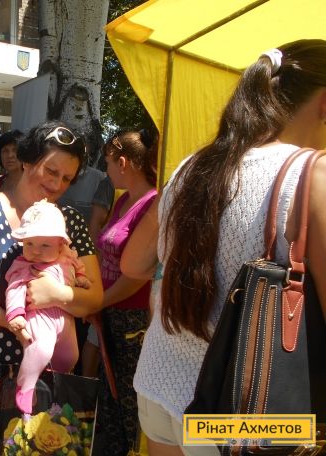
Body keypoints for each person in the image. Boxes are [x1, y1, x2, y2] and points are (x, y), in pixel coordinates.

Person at [121, 40, 326, 456]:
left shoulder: (193, 165)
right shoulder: (313, 174)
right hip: (238, 412)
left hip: (159, 388)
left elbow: (134, 262)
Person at [0, 120, 104, 455]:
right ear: (27, 159)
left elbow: (94, 298)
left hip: (46, 379)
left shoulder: (70, 223)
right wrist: (8, 319)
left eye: (67, 178)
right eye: (50, 170)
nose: (56, 184)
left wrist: (57, 295)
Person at [94, 128, 158, 456]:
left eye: (107, 162)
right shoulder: (123, 200)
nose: (105, 170)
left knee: (131, 406)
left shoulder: (152, 204)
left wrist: (97, 301)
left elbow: (137, 277)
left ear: (123, 162)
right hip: (111, 313)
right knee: (112, 401)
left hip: (134, 321)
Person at [5, 199, 90, 415]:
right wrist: (15, 313)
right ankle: (25, 386)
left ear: (61, 244)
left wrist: (81, 278)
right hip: (40, 317)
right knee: (41, 349)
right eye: (29, 244)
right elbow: (14, 288)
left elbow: (78, 266)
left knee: (70, 356)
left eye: (45, 245)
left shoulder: (67, 257)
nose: (36, 251)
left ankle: (54, 385)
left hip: (65, 317)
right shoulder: (24, 265)